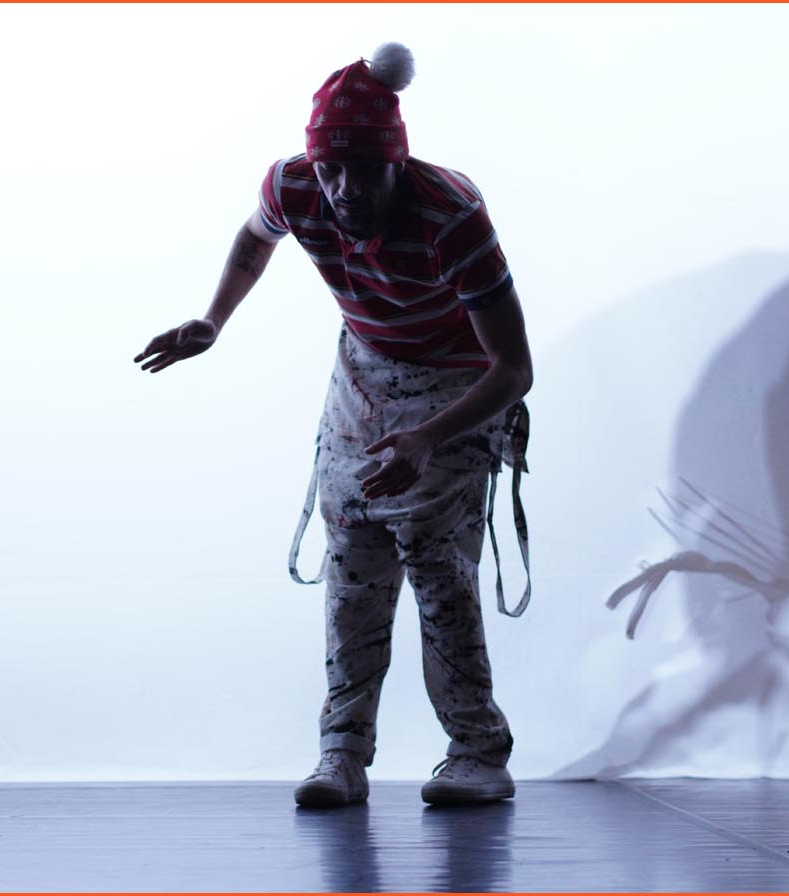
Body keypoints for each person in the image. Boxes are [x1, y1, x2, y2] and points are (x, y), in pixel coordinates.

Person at [133, 42, 532, 808]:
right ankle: (341, 752)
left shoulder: (450, 215)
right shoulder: (293, 186)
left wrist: (427, 438)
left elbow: (513, 369)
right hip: (364, 373)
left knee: (439, 570)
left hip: (460, 381)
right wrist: (214, 320)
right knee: (352, 562)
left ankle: (479, 752)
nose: (345, 189)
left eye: (365, 169)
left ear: (397, 162)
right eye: (331, 168)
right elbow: (255, 238)